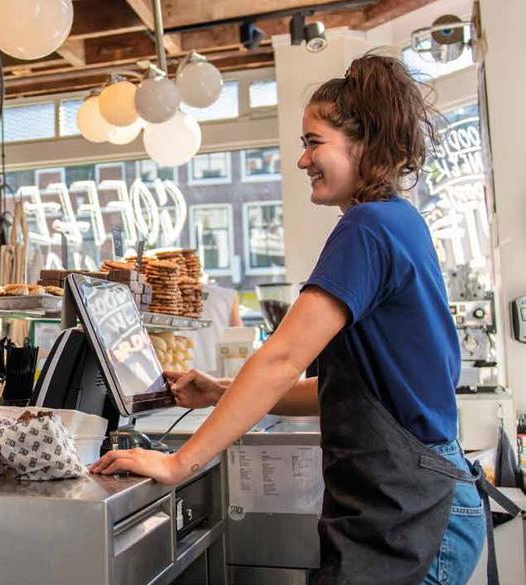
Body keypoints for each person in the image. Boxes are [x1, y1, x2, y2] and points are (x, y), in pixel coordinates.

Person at [91, 55, 487, 584]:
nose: (302, 161)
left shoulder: (368, 227)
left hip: (414, 511)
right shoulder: (396, 221)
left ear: (363, 141)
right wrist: (219, 391)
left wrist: (177, 463)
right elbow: (342, 389)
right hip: (416, 499)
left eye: (313, 142)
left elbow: (280, 358)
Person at [187, 282, 242, 375]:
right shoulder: (226, 295)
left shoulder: (169, 293)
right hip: (217, 372)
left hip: (180, 370)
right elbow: (240, 340)